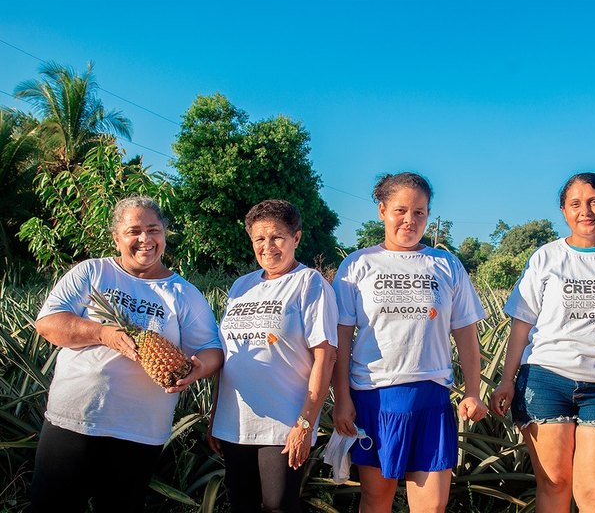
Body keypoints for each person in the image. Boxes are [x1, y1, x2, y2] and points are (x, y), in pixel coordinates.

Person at [31, 196, 223, 513]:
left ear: (164, 234)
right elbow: (49, 323)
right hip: (74, 421)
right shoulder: (92, 272)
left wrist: (197, 369)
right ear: (116, 237)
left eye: (153, 229)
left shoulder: (184, 294)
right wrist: (103, 333)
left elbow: (212, 350)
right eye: (134, 231)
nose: (145, 239)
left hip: (139, 432)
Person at [490, 172, 595, 513]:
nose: (586, 211)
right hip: (546, 380)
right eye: (576, 204)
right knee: (555, 485)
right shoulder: (546, 257)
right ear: (564, 211)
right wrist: (506, 380)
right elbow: (521, 328)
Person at [331, 172, 488, 513]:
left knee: (431, 508)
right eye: (401, 210)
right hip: (374, 398)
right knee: (376, 501)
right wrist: (342, 398)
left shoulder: (446, 264)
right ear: (382, 210)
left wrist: (473, 391)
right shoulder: (357, 265)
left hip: (431, 399)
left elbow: (466, 334)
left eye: (420, 212)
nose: (410, 219)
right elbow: (340, 340)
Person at [208, 199, 338, 513]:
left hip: (284, 423)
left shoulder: (310, 284)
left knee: (279, 505)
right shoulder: (241, 286)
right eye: (259, 239)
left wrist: (305, 424)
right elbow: (229, 356)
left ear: (296, 237)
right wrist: (214, 413)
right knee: (242, 504)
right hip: (235, 421)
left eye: (277, 237)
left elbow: (326, 357)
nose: (268, 246)